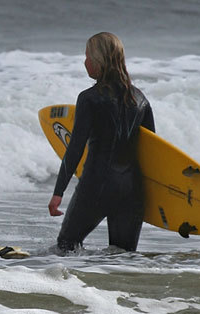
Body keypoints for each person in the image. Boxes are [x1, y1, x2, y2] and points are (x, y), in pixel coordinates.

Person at [48, 32, 155, 252]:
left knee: (66, 247)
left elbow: (75, 148)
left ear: (99, 60)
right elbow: (152, 152)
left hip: (96, 186)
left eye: (87, 56)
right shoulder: (140, 99)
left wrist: (58, 193)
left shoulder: (89, 98)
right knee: (123, 258)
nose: (84, 61)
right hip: (132, 191)